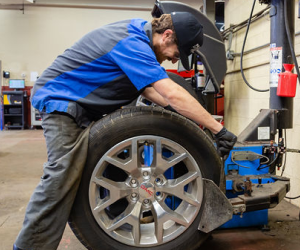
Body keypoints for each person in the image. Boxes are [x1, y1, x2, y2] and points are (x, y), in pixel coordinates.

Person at [14, 12, 236, 250]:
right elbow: (170, 92)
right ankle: (29, 247)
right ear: (167, 35)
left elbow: (152, 92)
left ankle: (121, 224)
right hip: (62, 102)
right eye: (177, 53)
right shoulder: (131, 42)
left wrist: (187, 119)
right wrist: (218, 130)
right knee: (61, 175)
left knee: (113, 161)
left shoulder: (140, 37)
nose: (174, 60)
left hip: (84, 107)